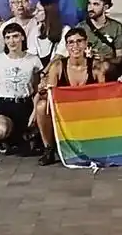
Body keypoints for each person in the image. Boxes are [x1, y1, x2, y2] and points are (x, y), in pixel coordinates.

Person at [33, 26, 105, 164]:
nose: (75, 46)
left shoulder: (96, 67)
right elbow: (50, 95)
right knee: (42, 106)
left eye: (79, 41)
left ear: (86, 43)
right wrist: (43, 89)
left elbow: (102, 96)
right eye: (71, 42)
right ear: (66, 46)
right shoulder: (58, 66)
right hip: (63, 111)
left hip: (88, 111)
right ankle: (49, 149)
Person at [0, 22, 42, 154]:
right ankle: (6, 139)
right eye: (7, 37)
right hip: (5, 105)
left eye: (15, 36)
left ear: (22, 38)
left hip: (25, 104)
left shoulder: (33, 60)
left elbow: (37, 90)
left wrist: (35, 111)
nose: (11, 41)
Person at [77, 0, 122, 79]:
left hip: (108, 69)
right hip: (85, 68)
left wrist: (104, 59)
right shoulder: (80, 28)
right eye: (89, 4)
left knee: (103, 67)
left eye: (95, 4)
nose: (90, 8)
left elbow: (120, 58)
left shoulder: (116, 27)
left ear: (105, 7)